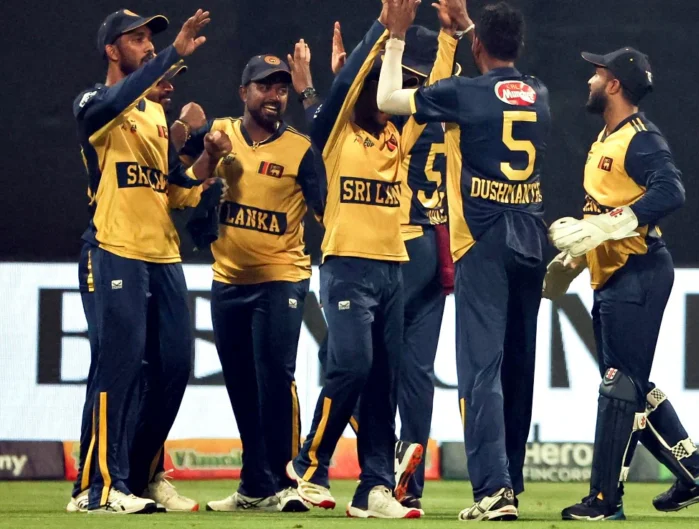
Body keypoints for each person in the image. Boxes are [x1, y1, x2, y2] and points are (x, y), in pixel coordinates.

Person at [377, 0, 550, 521]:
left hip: (482, 240)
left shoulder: (464, 93)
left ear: (476, 46)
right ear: (519, 45)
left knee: (481, 371)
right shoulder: (539, 92)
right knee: (519, 367)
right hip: (532, 237)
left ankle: (493, 490)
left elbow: (387, 98)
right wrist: (470, 27)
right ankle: (510, 479)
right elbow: (501, 78)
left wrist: (396, 38)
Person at [546, 47, 699, 521]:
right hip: (615, 273)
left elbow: (671, 190)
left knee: (619, 386)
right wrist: (579, 254)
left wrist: (608, 226)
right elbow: (601, 212)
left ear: (614, 85)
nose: (589, 80)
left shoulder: (640, 139)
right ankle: (697, 475)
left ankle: (604, 500)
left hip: (639, 270)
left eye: (597, 73)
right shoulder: (605, 138)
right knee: (630, 387)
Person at [288, 12, 460, 514]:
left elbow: (433, 94)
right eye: (385, 87)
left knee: (385, 383)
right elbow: (344, 88)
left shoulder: (398, 139)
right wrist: (388, 30)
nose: (394, 98)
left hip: (392, 269)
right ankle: (309, 463)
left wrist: (450, 37)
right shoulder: (336, 135)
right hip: (347, 267)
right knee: (352, 365)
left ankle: (375, 487)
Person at [71, 8, 229, 514]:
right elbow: (117, 98)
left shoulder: (155, 117)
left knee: (175, 366)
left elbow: (173, 190)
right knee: (118, 367)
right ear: (111, 50)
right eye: (136, 39)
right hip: (115, 248)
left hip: (163, 254)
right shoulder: (94, 104)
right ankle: (98, 487)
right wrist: (173, 54)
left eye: (150, 40)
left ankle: (137, 477)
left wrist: (207, 160)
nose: (146, 45)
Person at [173, 54, 326, 513]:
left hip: (282, 279)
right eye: (264, 86)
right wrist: (190, 136)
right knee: (241, 386)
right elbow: (174, 177)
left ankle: (286, 481)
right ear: (244, 93)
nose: (274, 96)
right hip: (228, 281)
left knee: (276, 379)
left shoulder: (300, 149)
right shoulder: (218, 132)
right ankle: (255, 485)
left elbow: (325, 210)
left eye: (280, 88)